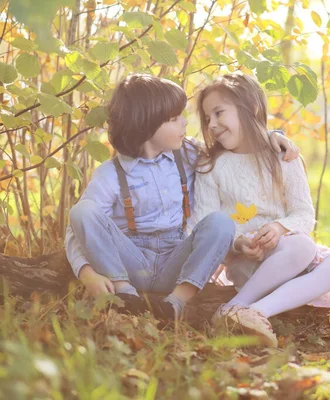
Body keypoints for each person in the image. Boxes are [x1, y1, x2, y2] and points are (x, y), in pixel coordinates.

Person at [65, 73, 299, 320]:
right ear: (147, 125)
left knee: (221, 222)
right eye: (175, 119)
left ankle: (175, 303)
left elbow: (237, 142)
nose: (185, 124)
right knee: (82, 211)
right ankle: (126, 296)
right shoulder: (110, 174)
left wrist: (273, 135)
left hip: (177, 261)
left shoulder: (189, 152)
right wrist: (87, 273)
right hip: (131, 262)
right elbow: (77, 230)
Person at [193, 73, 330, 346]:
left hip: (288, 255)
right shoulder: (211, 166)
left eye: (219, 113)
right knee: (303, 247)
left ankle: (252, 312)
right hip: (248, 261)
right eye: (208, 119)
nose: (213, 125)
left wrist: (279, 228)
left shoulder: (283, 157)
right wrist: (239, 243)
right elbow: (205, 223)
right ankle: (236, 305)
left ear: (250, 108)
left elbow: (304, 214)